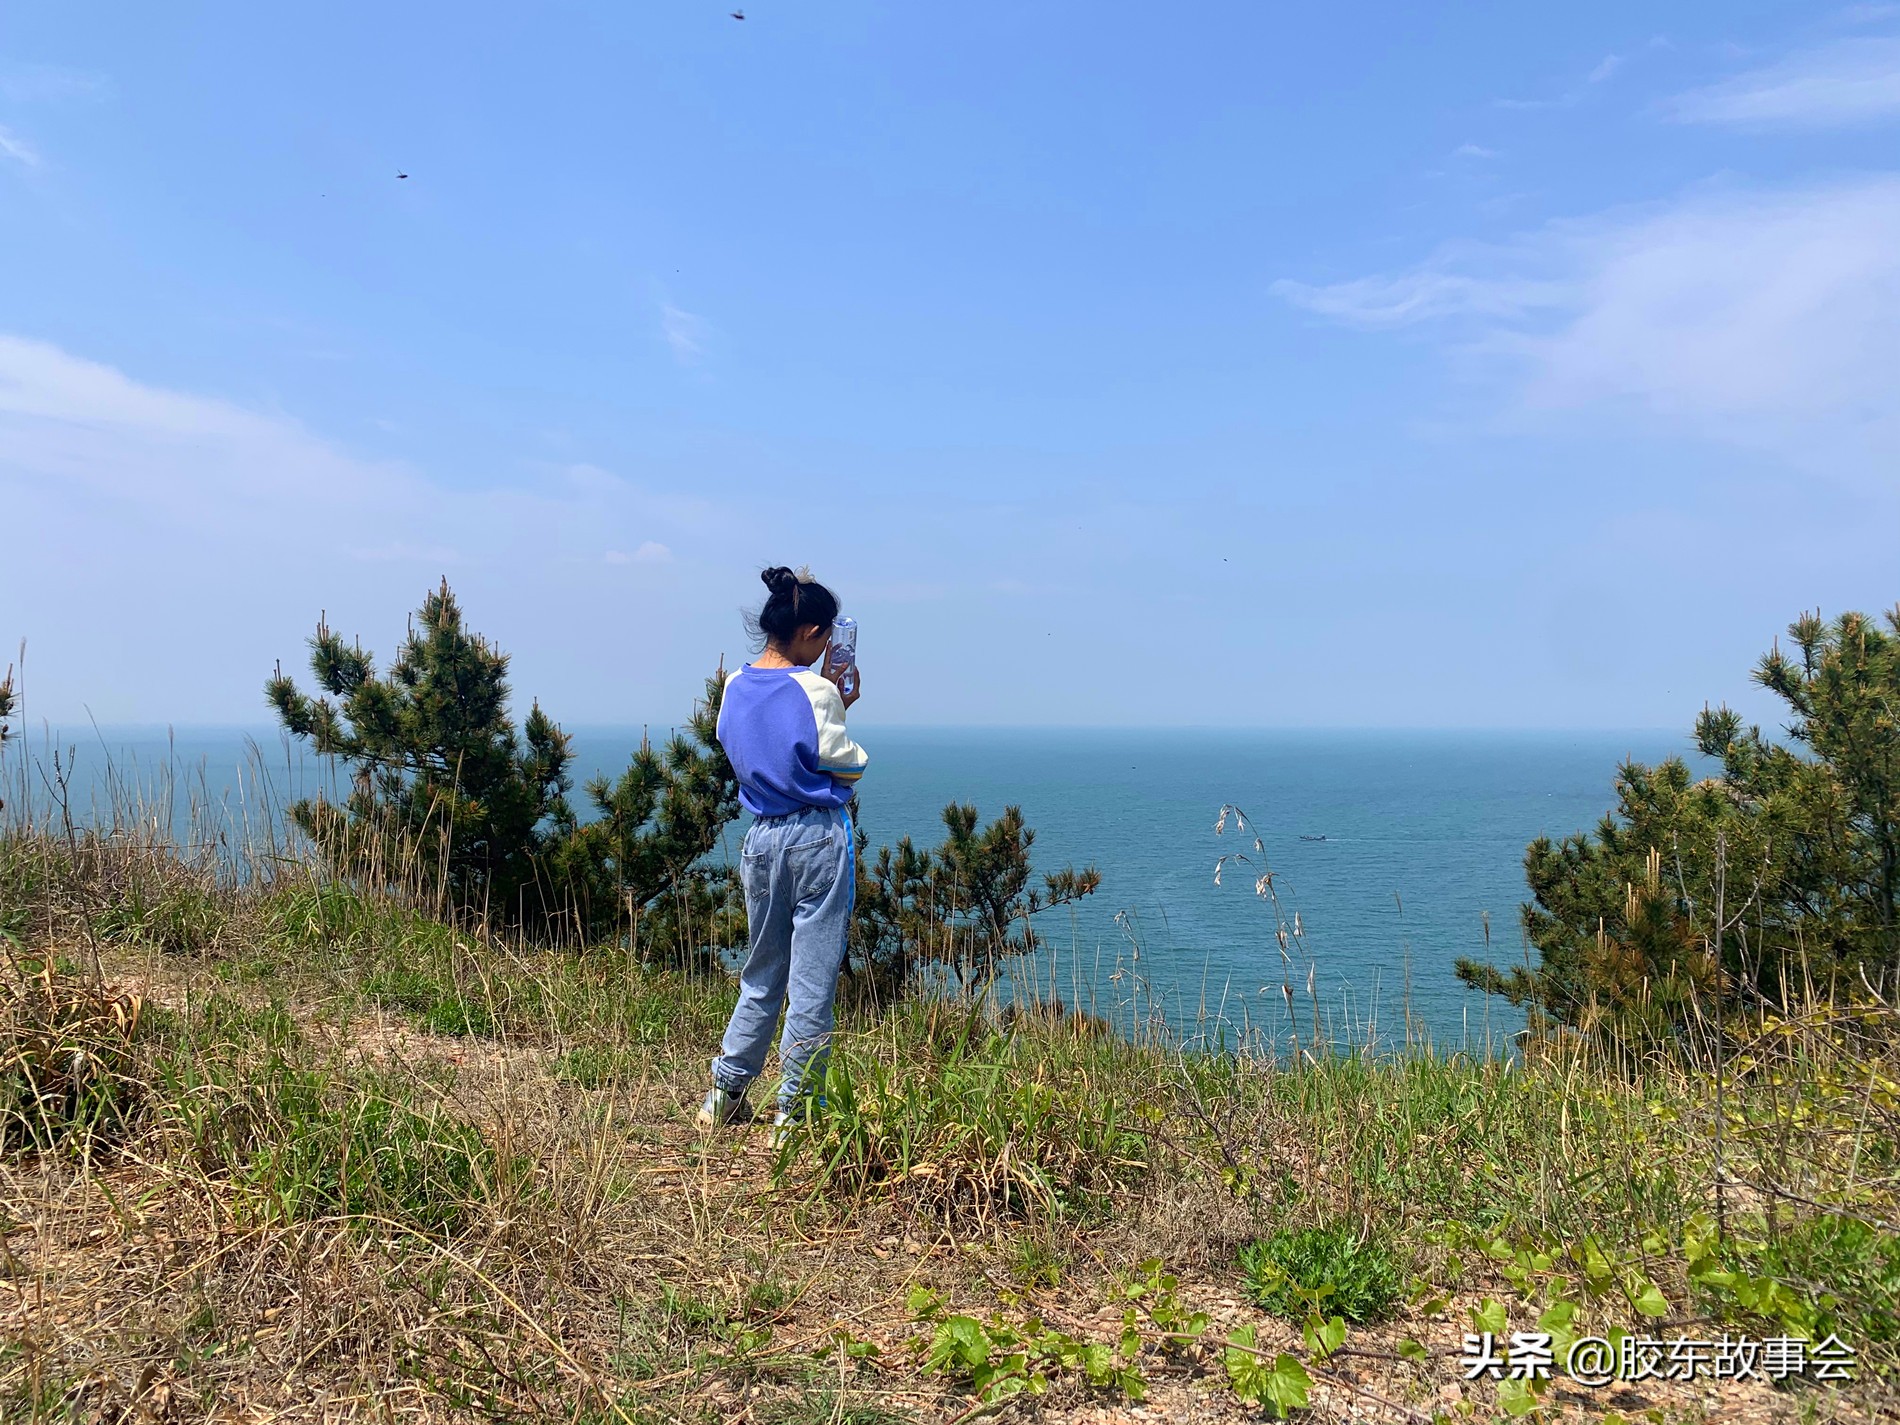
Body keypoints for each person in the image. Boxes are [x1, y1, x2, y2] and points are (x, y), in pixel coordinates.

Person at [698, 565, 867, 1136]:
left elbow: (741, 746)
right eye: (824, 642)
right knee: (812, 983)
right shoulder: (816, 689)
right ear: (812, 633)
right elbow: (846, 762)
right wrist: (841, 701)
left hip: (762, 839)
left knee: (762, 973)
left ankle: (724, 1093)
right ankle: (796, 1114)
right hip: (817, 836)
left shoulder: (734, 687)